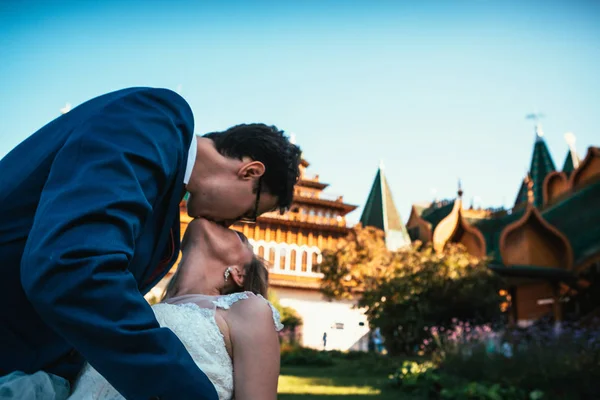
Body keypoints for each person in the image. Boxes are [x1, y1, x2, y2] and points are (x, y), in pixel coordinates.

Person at [0, 87, 300, 400]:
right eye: (251, 214)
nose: (236, 223)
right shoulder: (153, 116)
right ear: (250, 172)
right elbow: (73, 266)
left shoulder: (165, 228)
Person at [69, 218, 282, 400]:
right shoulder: (139, 302)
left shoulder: (247, 308)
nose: (223, 224)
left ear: (239, 274)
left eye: (238, 236)